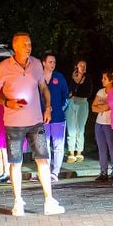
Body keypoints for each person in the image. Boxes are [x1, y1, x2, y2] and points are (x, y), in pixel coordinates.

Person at [0, 32, 65, 216]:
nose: (28, 47)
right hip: (14, 123)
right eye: (24, 44)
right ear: (15, 46)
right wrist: (8, 103)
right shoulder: (3, 67)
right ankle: (18, 203)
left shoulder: (36, 64)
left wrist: (48, 107)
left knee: (43, 159)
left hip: (36, 122)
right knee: (15, 162)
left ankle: (48, 200)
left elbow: (43, 88)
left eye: (30, 43)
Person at [41, 52, 69, 182]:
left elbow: (66, 95)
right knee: (44, 145)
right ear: (44, 63)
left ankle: (55, 172)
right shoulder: (38, 77)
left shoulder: (59, 77)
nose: (53, 64)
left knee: (58, 145)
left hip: (58, 118)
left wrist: (60, 109)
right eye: (50, 62)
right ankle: (45, 171)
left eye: (54, 62)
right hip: (42, 118)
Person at [91, 69, 113, 182]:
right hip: (99, 123)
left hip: (110, 123)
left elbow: (109, 106)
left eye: (105, 78)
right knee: (101, 148)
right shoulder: (101, 92)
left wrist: (102, 106)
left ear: (111, 80)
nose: (102, 80)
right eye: (102, 78)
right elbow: (93, 107)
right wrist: (104, 106)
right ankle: (103, 171)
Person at [65, 59, 92, 162]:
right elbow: (68, 91)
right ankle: (71, 152)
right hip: (72, 102)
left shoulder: (88, 78)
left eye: (85, 65)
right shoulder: (70, 77)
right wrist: (74, 81)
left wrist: (78, 85)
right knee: (71, 128)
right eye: (81, 65)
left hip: (83, 103)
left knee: (80, 128)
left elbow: (88, 92)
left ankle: (79, 152)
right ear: (76, 66)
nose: (83, 67)